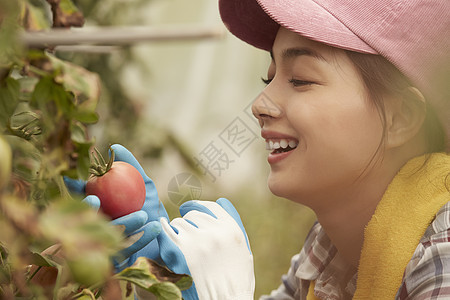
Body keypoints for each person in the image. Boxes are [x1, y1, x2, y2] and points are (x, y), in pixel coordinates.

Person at [68, 0, 450, 299]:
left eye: (300, 80)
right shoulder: (332, 252)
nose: (260, 103)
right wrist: (162, 282)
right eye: (268, 78)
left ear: (400, 117)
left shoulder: (442, 258)